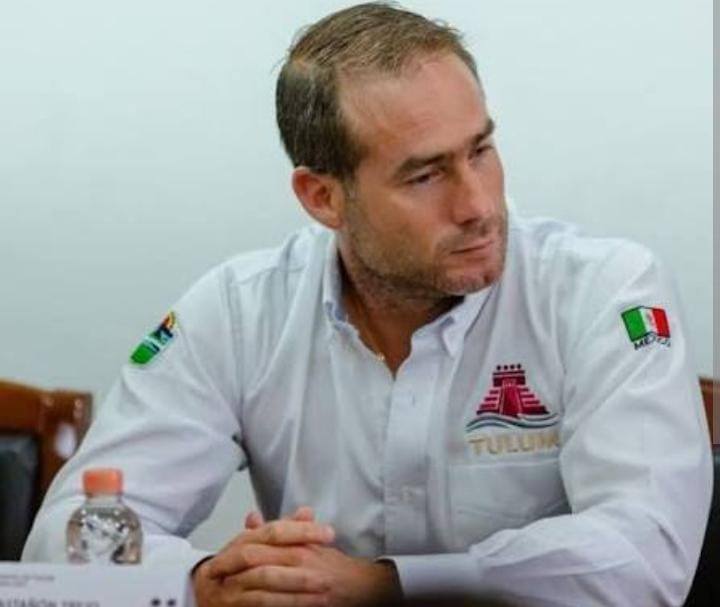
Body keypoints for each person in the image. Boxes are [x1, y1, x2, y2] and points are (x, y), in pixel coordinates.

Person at [23, 3, 712, 606]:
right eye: (426, 174)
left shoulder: (604, 292)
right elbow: (65, 539)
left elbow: (644, 554)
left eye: (481, 150)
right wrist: (211, 581)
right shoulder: (237, 312)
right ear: (323, 197)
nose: (478, 205)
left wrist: (386, 585)